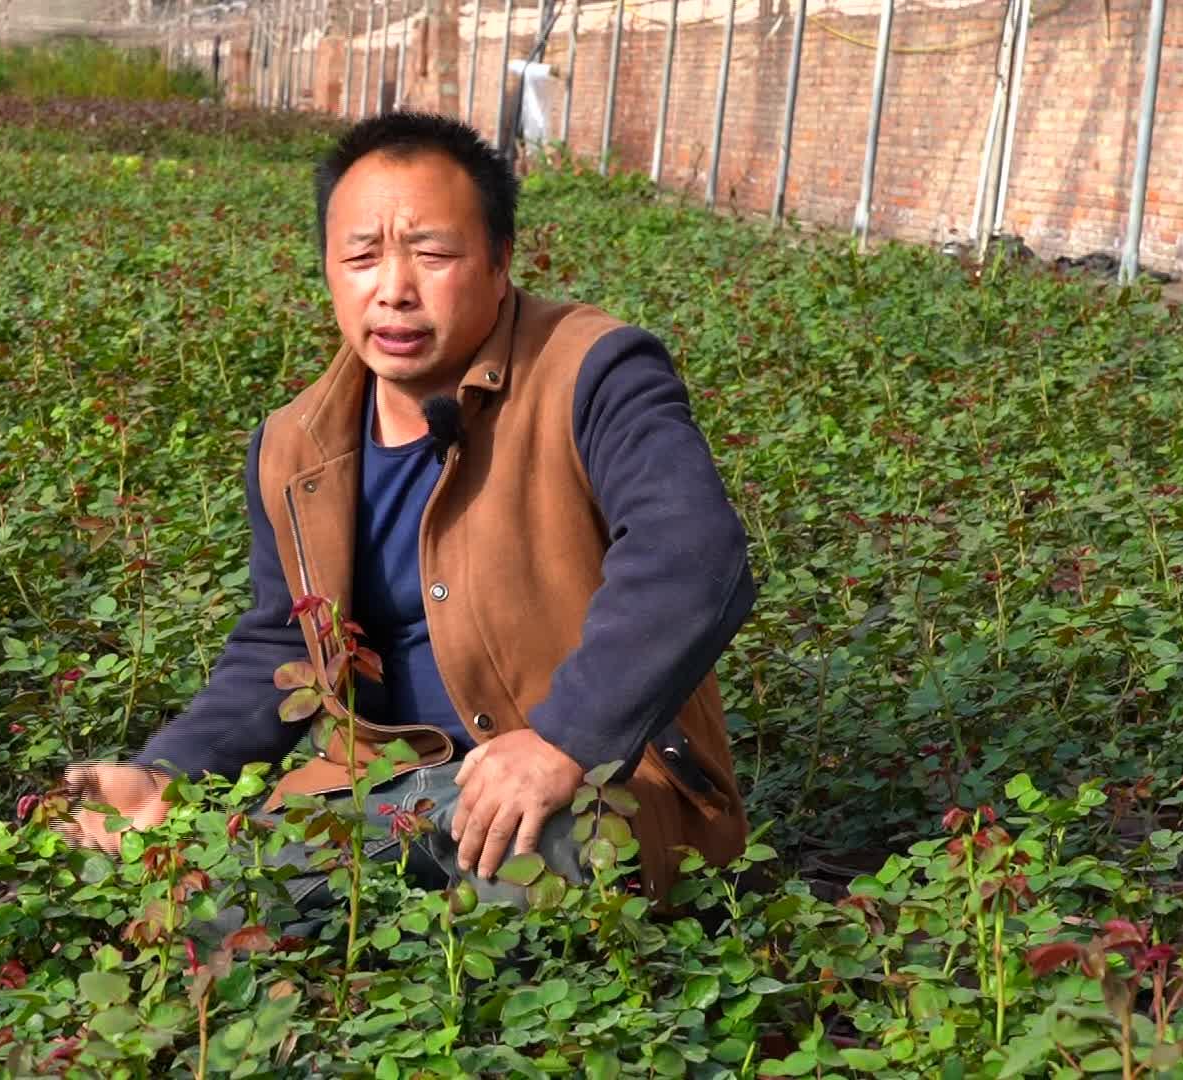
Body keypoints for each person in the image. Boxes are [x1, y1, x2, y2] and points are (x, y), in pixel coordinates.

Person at [58, 111, 755, 923]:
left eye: (431, 252)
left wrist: (564, 740)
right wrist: (168, 774)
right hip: (382, 794)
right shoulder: (293, 445)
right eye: (361, 256)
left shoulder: (594, 369)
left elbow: (693, 552)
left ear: (499, 260)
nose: (393, 287)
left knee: (528, 852)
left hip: (595, 787)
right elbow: (282, 644)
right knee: (152, 881)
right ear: (326, 268)